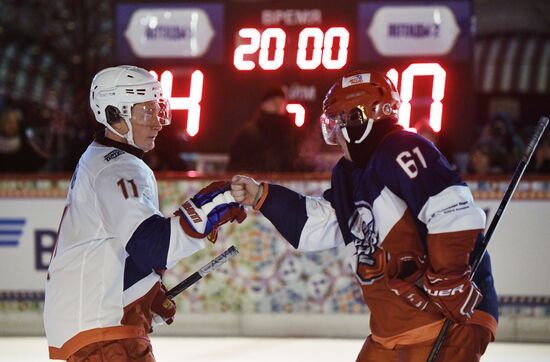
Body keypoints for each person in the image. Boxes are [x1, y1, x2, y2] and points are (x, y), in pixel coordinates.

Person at [231, 70, 497, 361]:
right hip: (395, 325)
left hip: (447, 319)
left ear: (360, 120)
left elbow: (451, 208)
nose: (334, 134)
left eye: (339, 121)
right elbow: (318, 225)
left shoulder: (403, 147)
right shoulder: (347, 174)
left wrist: (450, 280)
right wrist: (262, 197)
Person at [43, 65, 246, 361]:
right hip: (100, 334)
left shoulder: (102, 159)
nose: (158, 123)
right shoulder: (116, 169)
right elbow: (153, 246)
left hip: (94, 326)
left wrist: (142, 290)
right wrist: (210, 205)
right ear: (115, 116)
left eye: (158, 109)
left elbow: (117, 247)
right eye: (146, 112)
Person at [226, 86, 310, 172]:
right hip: (257, 183)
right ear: (263, 104)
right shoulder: (248, 135)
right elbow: (235, 168)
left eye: (281, 102)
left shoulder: (294, 135)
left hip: (286, 184)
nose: (277, 106)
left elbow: (303, 163)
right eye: (273, 102)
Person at [0, 106, 48, 172]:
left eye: (15, 122)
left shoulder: (25, 144)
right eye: (8, 121)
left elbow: (42, 159)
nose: (12, 125)